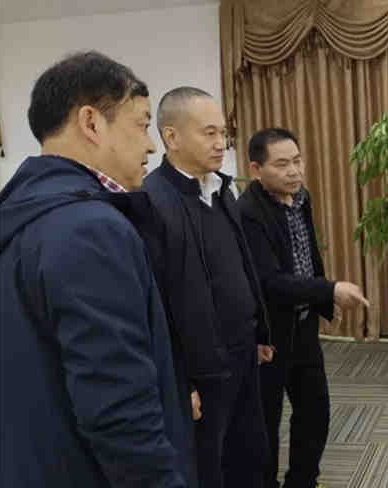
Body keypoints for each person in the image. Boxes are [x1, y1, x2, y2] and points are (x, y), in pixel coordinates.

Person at [0, 51, 193, 487]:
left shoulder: (21, 215)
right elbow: (118, 409)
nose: (151, 145)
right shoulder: (88, 229)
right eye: (142, 125)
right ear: (91, 122)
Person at [143, 86, 274, 488]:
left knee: (249, 453)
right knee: (209, 466)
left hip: (242, 350)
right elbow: (156, 304)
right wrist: (180, 382)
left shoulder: (221, 188)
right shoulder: (153, 201)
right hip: (201, 367)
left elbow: (241, 266)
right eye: (209, 133)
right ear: (172, 136)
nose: (221, 144)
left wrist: (259, 330)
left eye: (223, 134)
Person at [238, 128, 370, 488]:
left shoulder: (301, 198)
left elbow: (308, 254)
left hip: (304, 326)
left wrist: (323, 300)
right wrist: (330, 290)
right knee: (266, 424)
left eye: (297, 161)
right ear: (255, 169)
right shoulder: (248, 213)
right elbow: (270, 281)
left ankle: (302, 481)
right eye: (282, 164)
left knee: (314, 411)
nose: (294, 171)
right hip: (267, 335)